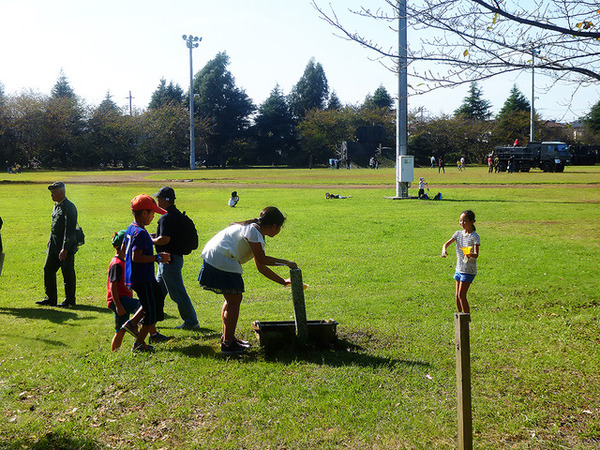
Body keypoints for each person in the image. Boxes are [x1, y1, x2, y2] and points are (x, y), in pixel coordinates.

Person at [198, 206, 297, 355]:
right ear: (275, 226)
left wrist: (283, 281)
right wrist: (287, 263)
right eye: (280, 227)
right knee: (234, 300)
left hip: (215, 258)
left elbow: (261, 267)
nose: (279, 230)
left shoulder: (253, 230)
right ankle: (228, 344)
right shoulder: (254, 232)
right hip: (222, 259)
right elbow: (263, 260)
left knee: (232, 299)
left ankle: (228, 338)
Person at [122, 194, 172, 352]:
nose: (154, 216)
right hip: (143, 278)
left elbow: (124, 250)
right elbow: (137, 257)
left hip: (135, 277)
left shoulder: (132, 228)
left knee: (153, 299)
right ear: (144, 213)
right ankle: (138, 344)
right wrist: (157, 257)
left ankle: (132, 324)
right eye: (152, 213)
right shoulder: (141, 233)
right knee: (150, 312)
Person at [153, 187, 200, 330]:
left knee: (178, 293)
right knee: (157, 292)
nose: (157, 201)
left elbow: (165, 239)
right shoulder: (176, 215)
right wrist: (154, 237)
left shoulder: (166, 217)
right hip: (171, 260)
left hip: (169, 261)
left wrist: (150, 241)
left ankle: (191, 321)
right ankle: (149, 318)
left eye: (159, 198)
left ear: (165, 199)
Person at [36, 182, 78, 307]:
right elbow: (54, 225)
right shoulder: (57, 206)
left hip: (65, 247)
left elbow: (69, 229)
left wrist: (65, 248)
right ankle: (50, 298)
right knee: (48, 269)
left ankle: (70, 300)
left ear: (62, 192)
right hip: (54, 246)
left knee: (67, 272)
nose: (51, 195)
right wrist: (50, 239)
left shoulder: (69, 207)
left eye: (54, 193)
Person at [107, 230, 144, 351]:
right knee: (144, 307)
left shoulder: (124, 261)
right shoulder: (117, 264)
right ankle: (143, 339)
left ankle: (115, 353)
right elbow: (113, 286)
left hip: (123, 299)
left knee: (122, 329)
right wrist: (118, 305)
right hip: (120, 300)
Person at [441, 210, 480, 316]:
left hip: (468, 270)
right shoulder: (458, 234)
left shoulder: (474, 236)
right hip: (459, 268)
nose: (462, 223)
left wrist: (469, 254)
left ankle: (466, 320)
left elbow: (476, 254)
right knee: (457, 296)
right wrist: (444, 250)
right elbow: (446, 244)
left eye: (464, 221)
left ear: (472, 222)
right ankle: (459, 318)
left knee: (462, 295)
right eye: (460, 221)